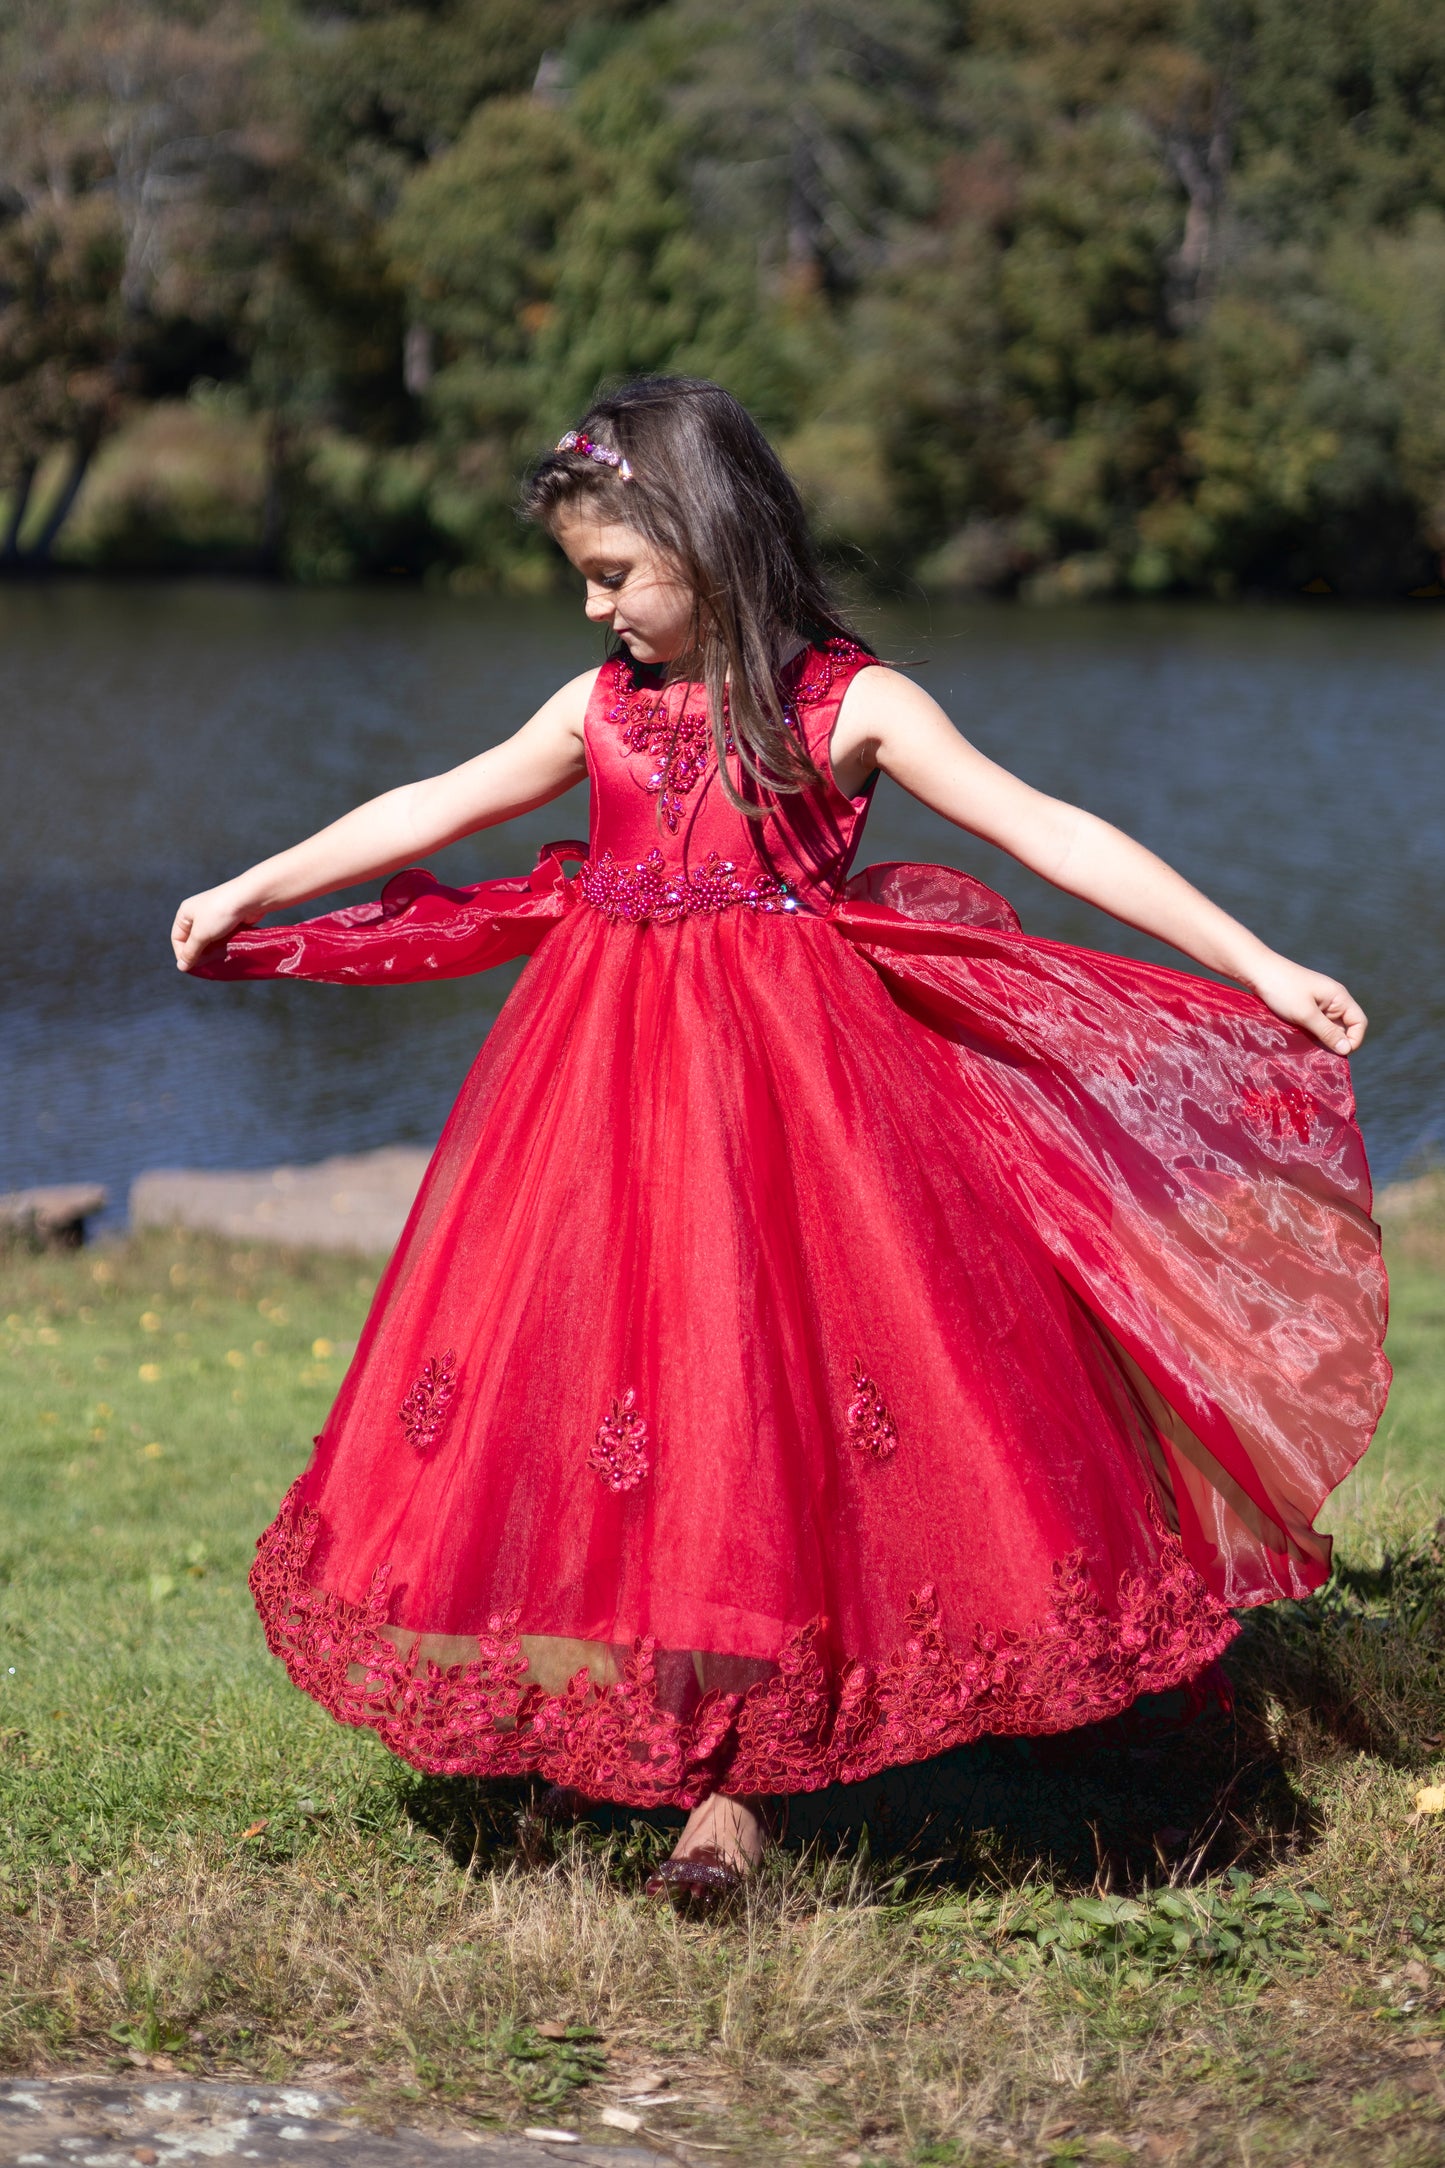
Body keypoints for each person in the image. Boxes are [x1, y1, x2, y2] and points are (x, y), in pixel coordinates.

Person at [172, 376, 1388, 1904]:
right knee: (635, 1387)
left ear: (707, 538)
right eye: (584, 582)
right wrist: (257, 884)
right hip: (599, 1096)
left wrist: (1257, 958)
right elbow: (438, 800)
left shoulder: (850, 703)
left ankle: (738, 1793)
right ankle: (652, 1728)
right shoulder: (601, 707)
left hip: (803, 1108)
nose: (599, 609)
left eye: (616, 574)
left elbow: (1047, 829)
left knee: (774, 1394)